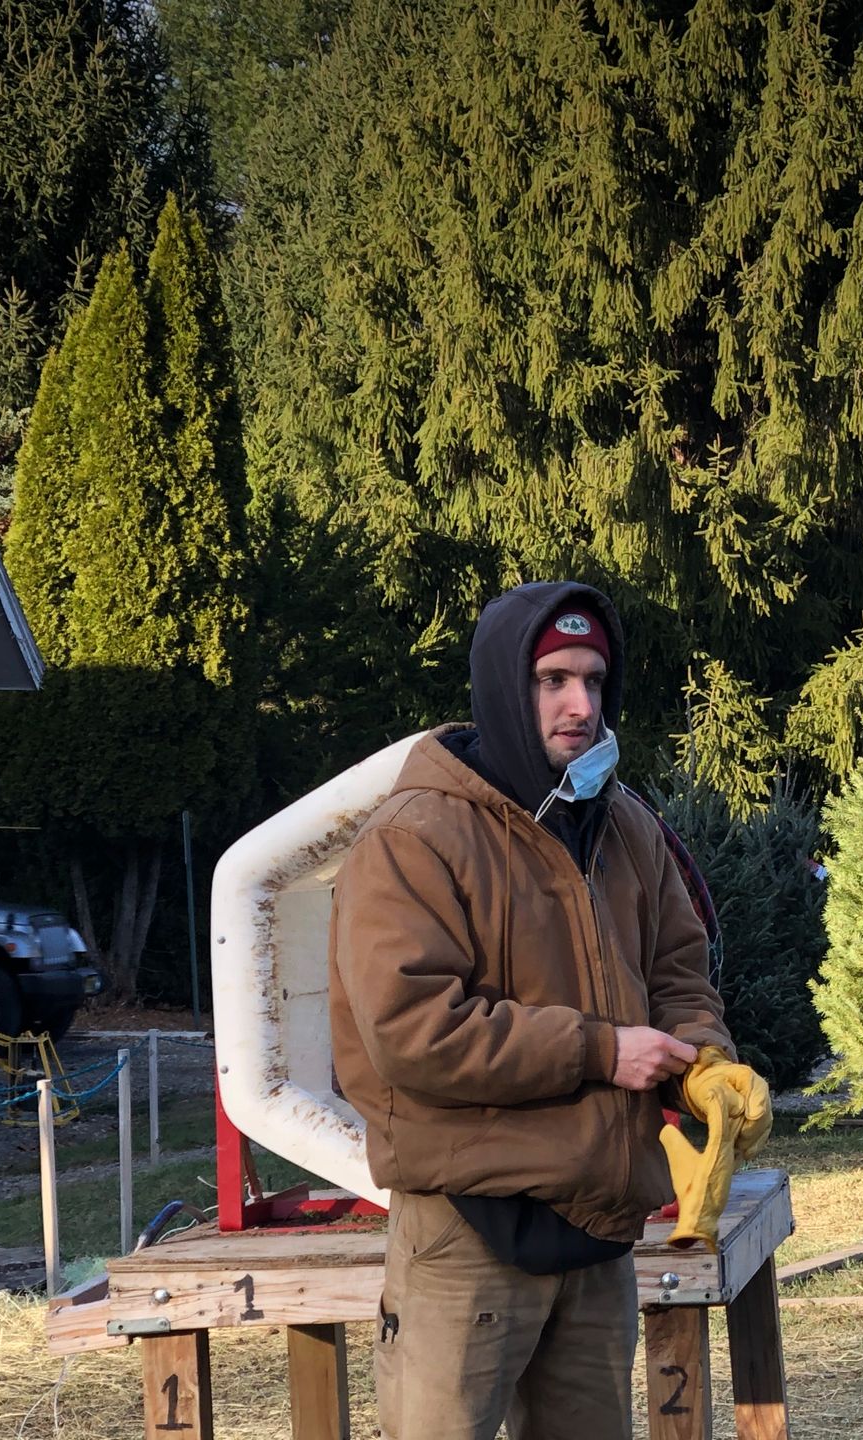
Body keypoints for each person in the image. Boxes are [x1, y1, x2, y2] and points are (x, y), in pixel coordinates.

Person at [329, 580, 768, 1440]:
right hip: (466, 1232)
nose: (580, 704)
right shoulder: (415, 836)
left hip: (599, 1234)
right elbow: (414, 1031)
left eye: (595, 681)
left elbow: (679, 970)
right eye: (553, 680)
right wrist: (601, 1052)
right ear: (503, 687)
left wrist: (705, 1063)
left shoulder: (625, 825)